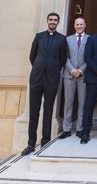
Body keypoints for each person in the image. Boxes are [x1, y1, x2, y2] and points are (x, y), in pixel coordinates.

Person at [21, 13, 67, 156]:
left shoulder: (62, 39)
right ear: (47, 21)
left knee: (48, 111)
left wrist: (52, 69)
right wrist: (39, 66)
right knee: (34, 111)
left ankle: (45, 141)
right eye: (51, 20)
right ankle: (30, 143)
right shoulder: (39, 36)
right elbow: (32, 56)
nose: (53, 22)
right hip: (36, 78)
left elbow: (63, 60)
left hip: (52, 79)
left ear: (58, 22)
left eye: (55, 20)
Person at [58, 18, 89, 140]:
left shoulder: (90, 39)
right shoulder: (68, 39)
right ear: (74, 25)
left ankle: (80, 129)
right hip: (69, 75)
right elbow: (64, 56)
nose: (79, 26)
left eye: (81, 24)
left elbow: (89, 57)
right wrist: (72, 70)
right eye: (77, 24)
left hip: (83, 75)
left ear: (85, 25)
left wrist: (81, 70)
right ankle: (66, 129)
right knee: (68, 102)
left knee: (82, 103)